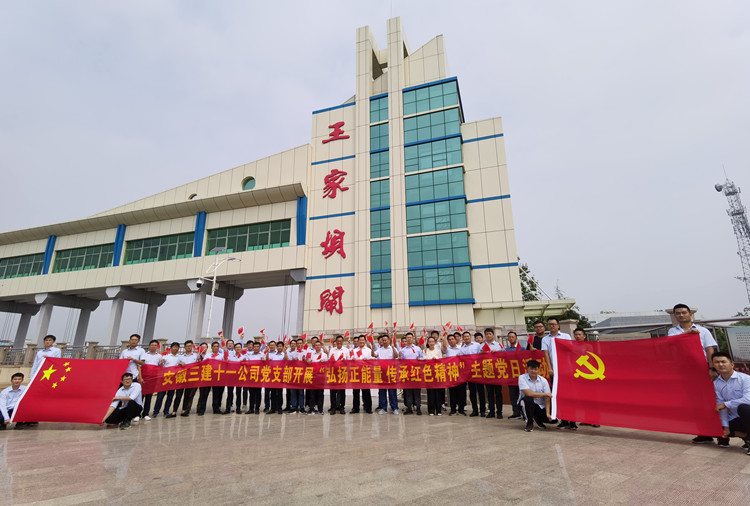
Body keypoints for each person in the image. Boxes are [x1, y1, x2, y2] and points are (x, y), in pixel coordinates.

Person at [668, 303, 719, 444]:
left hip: (703, 368)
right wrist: (688, 334)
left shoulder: (703, 331)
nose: (681, 315)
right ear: (675, 316)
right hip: (685, 371)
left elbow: (710, 350)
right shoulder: (672, 331)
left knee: (711, 399)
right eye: (678, 313)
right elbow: (671, 343)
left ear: (690, 314)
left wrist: (711, 368)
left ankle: (720, 432)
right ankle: (703, 433)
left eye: (684, 312)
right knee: (694, 402)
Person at [712, 351, 750, 453]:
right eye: (717, 362)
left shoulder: (745, 379)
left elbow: (748, 399)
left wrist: (726, 404)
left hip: (748, 413)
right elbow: (720, 406)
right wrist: (726, 426)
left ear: (732, 364)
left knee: (743, 408)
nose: (720, 364)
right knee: (717, 425)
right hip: (735, 417)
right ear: (714, 365)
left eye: (723, 361)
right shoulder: (716, 384)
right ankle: (747, 437)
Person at [556, 328, 587, 430]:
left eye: (579, 334)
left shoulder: (589, 346)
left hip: (583, 376)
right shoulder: (571, 345)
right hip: (569, 375)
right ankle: (565, 420)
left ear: (584, 336)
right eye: (576, 334)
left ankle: (581, 420)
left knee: (582, 399)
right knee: (567, 398)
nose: (577, 336)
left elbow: (588, 359)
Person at [518, 360, 555, 432]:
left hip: (540, 406)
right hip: (526, 404)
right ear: (527, 369)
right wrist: (545, 394)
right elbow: (528, 393)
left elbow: (547, 398)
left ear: (538, 370)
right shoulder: (522, 378)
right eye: (531, 369)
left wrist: (547, 413)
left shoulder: (543, 380)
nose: (533, 371)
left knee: (553, 420)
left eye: (535, 369)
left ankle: (537, 419)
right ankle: (529, 422)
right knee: (528, 399)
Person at [169, 340, 200, 417]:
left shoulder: (196, 356)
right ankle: (174, 411)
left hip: (190, 378)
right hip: (181, 378)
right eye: (187, 346)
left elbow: (200, 365)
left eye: (190, 346)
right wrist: (180, 363)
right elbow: (176, 366)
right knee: (178, 395)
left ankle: (184, 410)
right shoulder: (180, 356)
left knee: (187, 395)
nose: (189, 347)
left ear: (192, 347)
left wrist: (199, 360)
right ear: (185, 347)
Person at [541, 317, 572, 387]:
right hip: (554, 368)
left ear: (558, 325)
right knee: (556, 387)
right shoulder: (545, 339)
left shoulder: (566, 336)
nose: (551, 326)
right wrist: (550, 368)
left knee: (568, 386)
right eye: (549, 324)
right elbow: (546, 354)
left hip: (566, 367)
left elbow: (570, 349)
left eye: (553, 324)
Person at [154, 342, 181, 418]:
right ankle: (156, 411)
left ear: (178, 349)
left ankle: (166, 411)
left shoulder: (180, 358)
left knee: (170, 396)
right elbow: (160, 367)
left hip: (173, 379)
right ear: (171, 348)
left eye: (177, 347)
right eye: (174, 347)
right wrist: (161, 364)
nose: (175, 348)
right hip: (164, 378)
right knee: (160, 396)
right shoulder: (165, 357)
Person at [197, 342, 225, 416]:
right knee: (205, 394)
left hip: (217, 377)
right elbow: (203, 364)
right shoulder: (208, 355)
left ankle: (216, 409)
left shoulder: (221, 356)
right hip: (208, 376)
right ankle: (202, 410)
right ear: (212, 348)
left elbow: (225, 364)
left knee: (216, 394)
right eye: (214, 346)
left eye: (217, 346)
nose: (216, 348)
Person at [461, 331, 485, 417]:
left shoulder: (477, 345)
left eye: (468, 336)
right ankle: (475, 410)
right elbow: (462, 360)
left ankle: (482, 410)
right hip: (469, 373)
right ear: (463, 338)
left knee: (481, 391)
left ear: (470, 337)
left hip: (478, 371)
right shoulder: (462, 349)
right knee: (472, 392)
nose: (466, 338)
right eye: (465, 337)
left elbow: (482, 355)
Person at [375, 335, 399, 415]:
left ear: (389, 340)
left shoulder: (392, 348)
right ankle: (383, 408)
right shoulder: (379, 350)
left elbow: (396, 356)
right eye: (383, 340)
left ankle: (394, 408)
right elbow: (374, 355)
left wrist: (393, 348)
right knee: (382, 391)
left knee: (392, 391)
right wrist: (372, 347)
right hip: (382, 373)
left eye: (386, 340)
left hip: (391, 372)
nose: (384, 341)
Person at [400, 332, 423, 415]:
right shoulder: (402, 350)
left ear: (412, 339)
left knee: (417, 392)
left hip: (416, 373)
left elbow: (422, 358)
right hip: (407, 373)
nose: (409, 339)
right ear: (406, 339)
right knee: (408, 392)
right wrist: (400, 356)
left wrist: (420, 359)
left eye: (410, 337)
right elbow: (400, 362)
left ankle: (418, 407)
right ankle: (409, 408)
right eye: (407, 337)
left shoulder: (418, 349)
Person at [482, 328, 504, 419]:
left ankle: (499, 412)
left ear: (493, 335)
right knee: (489, 393)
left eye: (490, 334)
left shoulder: (498, 345)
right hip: (487, 372)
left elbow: (505, 355)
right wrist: (482, 353)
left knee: (498, 393)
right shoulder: (482, 346)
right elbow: (476, 357)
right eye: (486, 334)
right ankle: (491, 411)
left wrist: (497, 352)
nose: (488, 335)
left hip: (497, 372)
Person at [140, 339, 163, 421]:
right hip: (143, 378)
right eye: (152, 345)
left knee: (149, 397)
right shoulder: (144, 355)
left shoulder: (159, 356)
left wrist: (162, 364)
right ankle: (137, 413)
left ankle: (145, 413)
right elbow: (140, 366)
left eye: (155, 345)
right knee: (140, 396)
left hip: (152, 379)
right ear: (149, 346)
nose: (153, 346)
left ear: (157, 347)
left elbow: (160, 367)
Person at [442, 333, 465, 415]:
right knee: (452, 392)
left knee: (461, 392)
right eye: (449, 340)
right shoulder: (447, 349)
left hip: (461, 373)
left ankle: (461, 409)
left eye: (452, 339)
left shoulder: (461, 349)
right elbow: (444, 346)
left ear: (456, 340)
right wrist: (445, 335)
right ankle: (453, 409)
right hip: (451, 373)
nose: (451, 341)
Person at [350, 335, 373, 414]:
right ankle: (355, 408)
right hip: (356, 373)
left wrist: (367, 360)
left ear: (365, 341)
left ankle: (368, 407)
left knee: (366, 391)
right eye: (360, 340)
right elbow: (350, 359)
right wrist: (352, 359)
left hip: (365, 373)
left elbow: (372, 361)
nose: (361, 342)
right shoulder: (354, 351)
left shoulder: (368, 350)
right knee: (355, 392)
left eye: (363, 340)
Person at [304, 341, 328, 414]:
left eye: (318, 345)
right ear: (314, 347)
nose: (317, 346)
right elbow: (307, 361)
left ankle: (320, 409)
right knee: (312, 393)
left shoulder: (324, 355)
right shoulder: (311, 354)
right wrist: (308, 361)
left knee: (320, 393)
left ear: (321, 346)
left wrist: (323, 362)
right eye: (316, 345)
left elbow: (327, 364)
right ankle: (311, 408)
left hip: (321, 377)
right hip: (313, 376)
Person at [505, 331, 524, 419]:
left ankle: (524, 412)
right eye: (509, 337)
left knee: (523, 395)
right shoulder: (506, 350)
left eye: (513, 337)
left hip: (521, 376)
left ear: (516, 338)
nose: (511, 338)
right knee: (513, 395)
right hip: (511, 376)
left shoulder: (522, 349)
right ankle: (516, 412)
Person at [328, 335, 348, 414]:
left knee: (342, 391)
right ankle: (333, 407)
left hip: (342, 373)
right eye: (338, 341)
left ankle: (342, 407)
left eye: (341, 341)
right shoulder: (332, 350)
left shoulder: (346, 350)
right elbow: (329, 359)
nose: (339, 342)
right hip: (333, 373)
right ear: (335, 342)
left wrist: (345, 361)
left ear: (343, 342)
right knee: (333, 391)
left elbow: (349, 361)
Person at [266, 340, 287, 414]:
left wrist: (285, 352)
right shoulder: (273, 354)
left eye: (281, 346)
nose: (279, 347)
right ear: (276, 347)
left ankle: (279, 408)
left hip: (280, 376)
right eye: (278, 346)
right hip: (273, 376)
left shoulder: (283, 354)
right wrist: (267, 352)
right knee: (273, 393)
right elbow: (268, 360)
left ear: (283, 347)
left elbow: (286, 360)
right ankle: (273, 408)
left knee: (279, 392)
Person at [424, 336, 443, 415]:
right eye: (430, 342)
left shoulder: (438, 351)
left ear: (435, 342)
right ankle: (431, 410)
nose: (431, 343)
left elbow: (441, 360)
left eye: (432, 342)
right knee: (430, 392)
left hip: (437, 373)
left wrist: (436, 359)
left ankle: (438, 409)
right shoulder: (425, 350)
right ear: (428, 343)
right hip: (429, 373)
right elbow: (423, 359)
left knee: (438, 392)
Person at [245, 341, 265, 414]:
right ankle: (251, 408)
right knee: (251, 393)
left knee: (258, 393)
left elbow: (267, 365)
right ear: (253, 347)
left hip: (259, 377)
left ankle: (257, 408)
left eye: (257, 347)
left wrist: (264, 361)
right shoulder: (249, 356)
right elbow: (246, 364)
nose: (256, 348)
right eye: (255, 347)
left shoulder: (263, 355)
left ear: (260, 347)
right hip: (251, 376)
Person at [226, 342, 245, 414]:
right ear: (234, 348)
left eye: (239, 347)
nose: (238, 348)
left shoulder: (244, 357)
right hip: (231, 377)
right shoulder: (230, 357)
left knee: (238, 393)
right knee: (230, 393)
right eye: (236, 347)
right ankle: (228, 408)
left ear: (241, 348)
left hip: (239, 377)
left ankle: (238, 408)